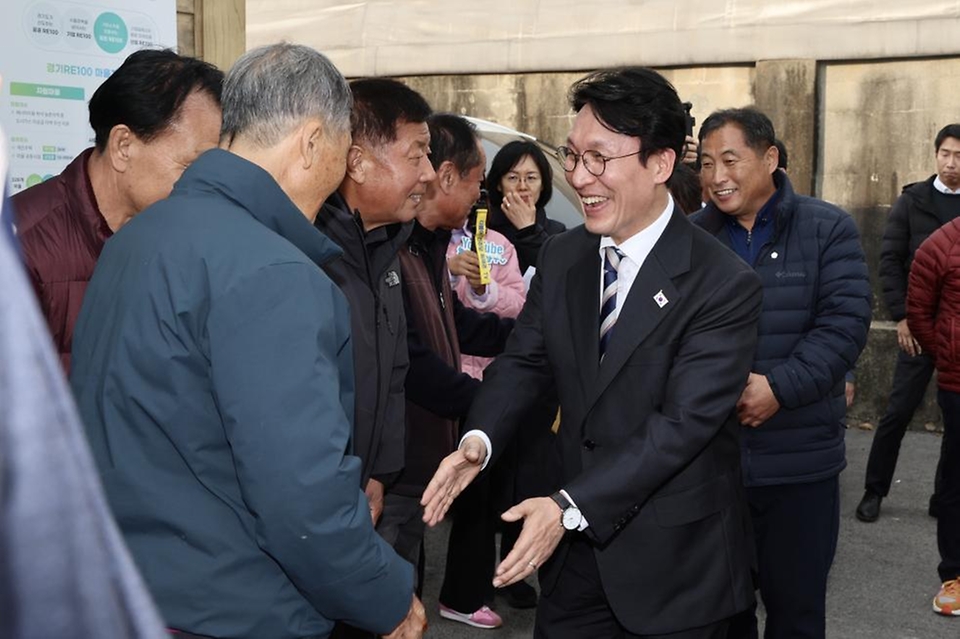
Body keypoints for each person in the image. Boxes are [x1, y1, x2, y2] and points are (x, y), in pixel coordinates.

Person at [70, 43, 425, 639]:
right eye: (343, 148)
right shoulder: (273, 272)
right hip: (234, 608)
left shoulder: (137, 236)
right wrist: (386, 597)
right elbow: (300, 499)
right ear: (313, 143)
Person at [423, 67, 763, 638]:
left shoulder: (723, 283)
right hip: (570, 560)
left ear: (659, 163)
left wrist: (567, 504)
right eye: (572, 155)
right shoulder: (565, 256)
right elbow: (525, 362)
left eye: (599, 159)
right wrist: (479, 441)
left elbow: (682, 426)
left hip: (673, 570)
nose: (579, 178)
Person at [694, 107, 872, 639]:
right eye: (705, 164)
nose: (716, 176)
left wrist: (777, 388)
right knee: (719, 616)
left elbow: (844, 324)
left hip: (799, 466)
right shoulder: (690, 237)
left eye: (730, 160)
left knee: (796, 614)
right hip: (711, 466)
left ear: (770, 158)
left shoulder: (827, 227)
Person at [12, 49, 223, 372]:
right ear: (123, 146)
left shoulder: (184, 235)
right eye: (192, 165)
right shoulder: (22, 245)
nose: (206, 184)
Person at [389, 113, 512, 629]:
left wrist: (530, 342)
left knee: (407, 592)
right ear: (446, 176)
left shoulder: (431, 246)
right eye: (477, 180)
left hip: (417, 467)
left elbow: (454, 323)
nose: (481, 194)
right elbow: (413, 361)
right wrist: (488, 403)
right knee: (392, 601)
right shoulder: (393, 249)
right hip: (393, 465)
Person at [315, 78, 435, 526]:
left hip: (363, 483)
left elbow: (394, 373)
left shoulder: (387, 245)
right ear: (358, 162)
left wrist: (380, 471)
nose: (428, 172)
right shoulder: (311, 252)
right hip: (316, 491)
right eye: (416, 153)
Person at [856, 123, 960, 523]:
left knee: (956, 423)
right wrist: (901, 316)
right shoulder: (913, 201)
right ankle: (874, 490)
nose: (951, 163)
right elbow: (889, 261)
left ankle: (944, 497)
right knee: (897, 412)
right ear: (935, 154)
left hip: (955, 332)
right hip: (918, 327)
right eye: (945, 154)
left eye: (958, 156)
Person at [906, 217, 960, 617]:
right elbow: (919, 311)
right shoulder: (941, 244)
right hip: (959, 385)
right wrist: (948, 356)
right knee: (958, 480)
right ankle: (954, 575)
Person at [485, 140, 566, 274]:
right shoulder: (481, 228)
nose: (522, 186)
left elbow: (557, 275)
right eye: (512, 178)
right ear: (499, 184)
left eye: (531, 178)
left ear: (543, 185)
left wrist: (528, 230)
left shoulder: (558, 234)